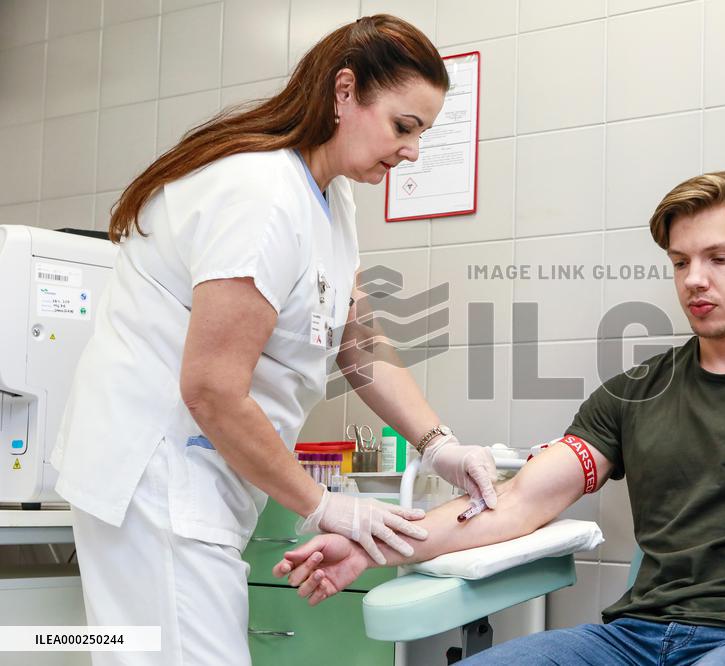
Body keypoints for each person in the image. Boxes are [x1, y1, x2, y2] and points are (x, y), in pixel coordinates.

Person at [274, 172, 725, 666]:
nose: (695, 280)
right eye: (680, 262)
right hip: (634, 637)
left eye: (719, 259)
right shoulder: (635, 392)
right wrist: (367, 546)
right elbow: (518, 501)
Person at [52, 15, 498, 666]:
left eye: (422, 134)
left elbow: (359, 344)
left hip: (202, 482)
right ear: (345, 92)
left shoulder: (330, 198)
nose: (412, 152)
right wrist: (325, 506)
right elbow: (210, 388)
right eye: (405, 127)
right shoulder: (260, 193)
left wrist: (440, 445)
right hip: (156, 480)